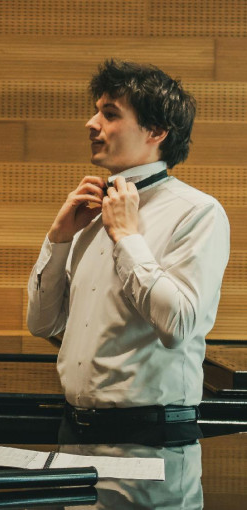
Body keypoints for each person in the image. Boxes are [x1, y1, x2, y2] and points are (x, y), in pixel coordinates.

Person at [27, 60, 230, 445]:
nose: (91, 123)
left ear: (156, 130)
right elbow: (42, 324)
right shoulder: (87, 217)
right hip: (72, 432)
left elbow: (179, 327)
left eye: (109, 114)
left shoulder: (198, 212)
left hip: (152, 439)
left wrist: (126, 238)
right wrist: (58, 241)